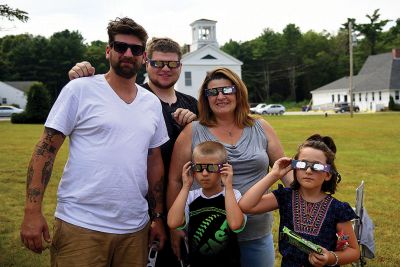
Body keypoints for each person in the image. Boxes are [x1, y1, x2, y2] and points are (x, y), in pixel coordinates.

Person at [20, 17, 169, 267]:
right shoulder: (80, 90)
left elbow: (154, 161)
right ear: (108, 50)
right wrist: (32, 212)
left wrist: (157, 217)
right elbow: (45, 151)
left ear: (144, 56)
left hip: (134, 228)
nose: (128, 53)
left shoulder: (151, 103)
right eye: (121, 47)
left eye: (136, 49)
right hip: (81, 225)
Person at [68, 37, 198, 267]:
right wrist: (81, 74)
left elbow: (210, 150)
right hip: (140, 213)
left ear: (180, 66)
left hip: (186, 208)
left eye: (171, 64)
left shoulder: (192, 104)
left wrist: (195, 124)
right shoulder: (134, 97)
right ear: (146, 62)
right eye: (158, 63)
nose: (165, 69)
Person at [167, 67, 293, 267]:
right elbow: (175, 179)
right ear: (205, 98)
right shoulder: (193, 131)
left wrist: (306, 200)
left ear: (238, 92)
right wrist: (175, 229)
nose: (220, 97)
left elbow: (286, 173)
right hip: (209, 237)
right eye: (213, 92)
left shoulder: (261, 127)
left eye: (227, 90)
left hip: (256, 233)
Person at [239, 134, 360, 266]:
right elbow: (246, 205)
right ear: (294, 168)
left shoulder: (338, 209)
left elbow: (353, 251)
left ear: (328, 174)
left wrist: (330, 257)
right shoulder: (285, 197)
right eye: (302, 164)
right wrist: (274, 175)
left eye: (317, 167)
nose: (308, 170)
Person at [168, 141, 246, 267]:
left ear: (224, 169)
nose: (204, 173)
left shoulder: (233, 195)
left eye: (211, 168)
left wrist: (229, 186)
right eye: (199, 168)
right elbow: (173, 222)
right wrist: (185, 186)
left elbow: (236, 224)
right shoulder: (191, 196)